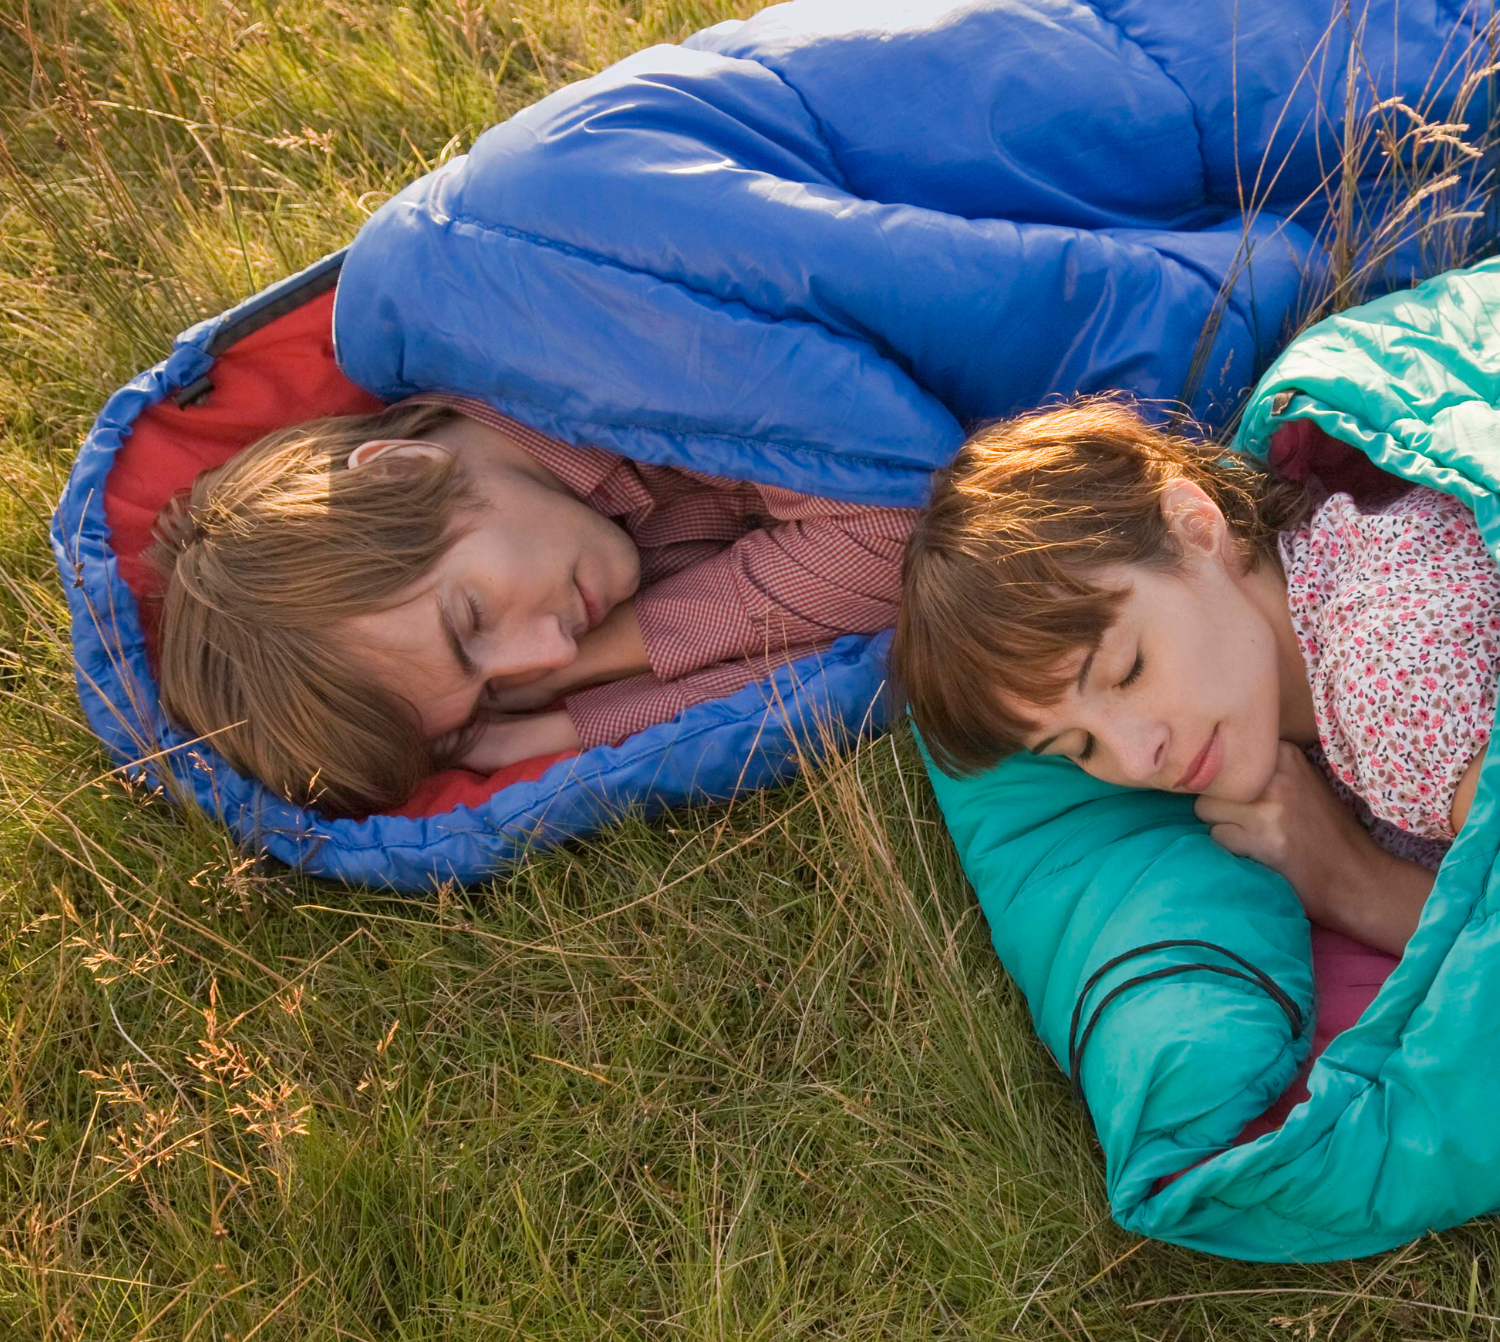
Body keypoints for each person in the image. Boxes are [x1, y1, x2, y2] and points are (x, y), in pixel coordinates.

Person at [891, 395, 1498, 958]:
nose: (1135, 760)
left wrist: (1352, 882)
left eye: (1128, 671)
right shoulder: (1318, 594)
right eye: (1081, 748)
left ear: (1195, 526)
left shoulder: (1392, 687)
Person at [148, 395, 918, 818]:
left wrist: (615, 650)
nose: (550, 658)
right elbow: (830, 660)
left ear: (402, 476)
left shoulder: (596, 373)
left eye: (472, 622)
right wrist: (558, 728)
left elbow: (902, 526)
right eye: (490, 693)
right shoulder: (583, 540)